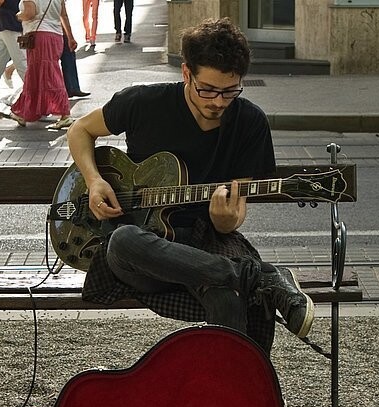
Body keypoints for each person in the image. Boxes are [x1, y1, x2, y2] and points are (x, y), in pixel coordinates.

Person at [65, 17, 314, 351]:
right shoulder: (142, 103)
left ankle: (238, 394)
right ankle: (259, 277)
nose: (218, 102)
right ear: (187, 73)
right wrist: (94, 181)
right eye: (207, 89)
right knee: (123, 240)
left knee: (229, 301)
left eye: (230, 91)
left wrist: (226, 221)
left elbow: (235, 212)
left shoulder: (249, 122)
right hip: (143, 253)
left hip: (205, 247)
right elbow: (79, 129)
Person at [10, 0, 76, 130]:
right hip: (56, 36)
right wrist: (71, 37)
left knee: (40, 74)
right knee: (44, 73)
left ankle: (64, 114)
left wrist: (18, 15)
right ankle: (26, 112)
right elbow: (64, 15)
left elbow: (29, 13)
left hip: (39, 36)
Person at [61, 33, 90, 97]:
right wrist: (70, 37)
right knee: (68, 55)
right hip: (53, 32)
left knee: (69, 55)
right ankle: (72, 88)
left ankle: (72, 88)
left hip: (55, 31)